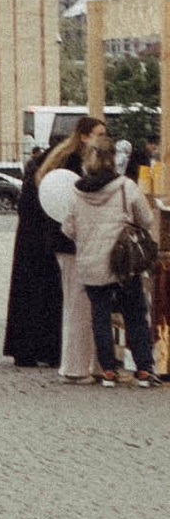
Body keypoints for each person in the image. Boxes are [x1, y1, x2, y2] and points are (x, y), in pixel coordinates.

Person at [61, 138, 158, 388]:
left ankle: (108, 372)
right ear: (114, 157)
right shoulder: (125, 186)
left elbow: (68, 228)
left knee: (100, 316)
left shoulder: (77, 190)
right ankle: (144, 370)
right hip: (123, 262)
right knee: (135, 314)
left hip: (91, 262)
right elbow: (146, 219)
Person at [1, 122, 89, 367]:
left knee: (30, 292)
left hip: (33, 235)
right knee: (50, 294)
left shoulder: (48, 162)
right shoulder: (71, 163)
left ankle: (25, 349)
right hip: (50, 234)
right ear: (83, 137)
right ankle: (50, 350)